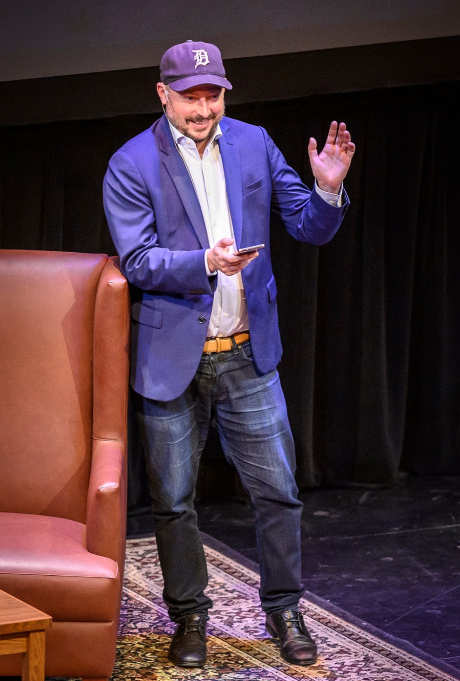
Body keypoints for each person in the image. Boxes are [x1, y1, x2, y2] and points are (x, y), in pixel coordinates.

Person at [102, 39, 355, 668]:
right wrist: (205, 263)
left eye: (212, 94)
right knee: (175, 500)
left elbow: (305, 224)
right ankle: (189, 618)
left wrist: (326, 191)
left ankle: (286, 609)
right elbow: (136, 262)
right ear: (163, 95)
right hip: (173, 360)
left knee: (278, 491)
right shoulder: (132, 163)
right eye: (190, 96)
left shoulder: (253, 142)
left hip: (246, 354)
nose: (203, 107)